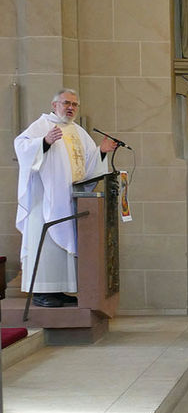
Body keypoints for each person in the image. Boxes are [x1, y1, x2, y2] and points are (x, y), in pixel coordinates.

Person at [14, 89, 118, 308]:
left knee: (62, 250)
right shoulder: (42, 125)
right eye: (66, 103)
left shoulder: (78, 131)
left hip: (69, 200)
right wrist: (43, 142)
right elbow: (21, 146)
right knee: (47, 247)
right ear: (54, 105)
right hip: (44, 201)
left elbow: (88, 164)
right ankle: (43, 292)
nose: (70, 108)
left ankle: (59, 290)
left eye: (74, 104)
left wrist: (101, 151)